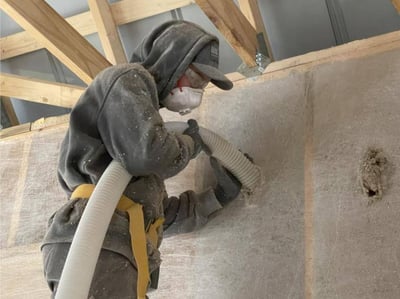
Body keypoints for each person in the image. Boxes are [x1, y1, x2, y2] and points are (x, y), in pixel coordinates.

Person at [41, 20, 245, 298]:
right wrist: (190, 143)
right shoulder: (126, 80)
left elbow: (160, 218)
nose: (197, 93)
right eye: (196, 79)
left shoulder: (134, 150)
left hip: (115, 246)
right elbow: (150, 155)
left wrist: (217, 196)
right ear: (172, 59)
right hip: (95, 240)